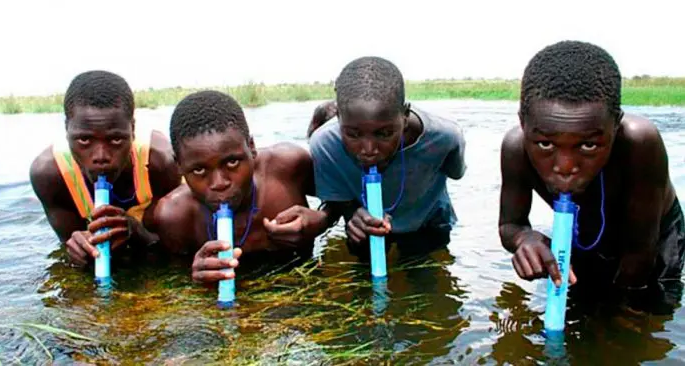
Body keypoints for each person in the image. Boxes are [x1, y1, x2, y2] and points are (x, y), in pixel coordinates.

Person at [498, 40, 684, 307]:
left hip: (650, 234)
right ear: (523, 123)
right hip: (584, 227)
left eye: (588, 145)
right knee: (579, 300)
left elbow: (639, 254)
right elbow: (509, 225)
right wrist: (524, 238)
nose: (564, 166)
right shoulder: (516, 149)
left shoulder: (640, 144)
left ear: (616, 126)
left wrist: (615, 321)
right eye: (546, 144)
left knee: (648, 307)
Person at [152, 90, 329, 285]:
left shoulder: (288, 169)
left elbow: (340, 201)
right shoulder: (174, 217)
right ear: (178, 166)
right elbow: (172, 280)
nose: (219, 183)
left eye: (232, 162)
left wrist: (323, 220)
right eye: (200, 170)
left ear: (251, 147)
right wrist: (194, 278)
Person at [308, 56, 467, 260]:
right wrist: (354, 214)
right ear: (338, 117)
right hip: (369, 230)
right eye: (353, 134)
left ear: (405, 116)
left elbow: (456, 173)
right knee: (362, 279)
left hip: (430, 224)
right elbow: (338, 200)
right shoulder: (324, 145)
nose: (369, 149)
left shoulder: (445, 137)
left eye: (384, 134)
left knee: (426, 277)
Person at [29, 70, 181, 266]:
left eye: (116, 139)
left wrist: (136, 231)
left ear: (132, 130)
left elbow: (172, 246)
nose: (101, 156)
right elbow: (68, 245)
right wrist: (78, 251)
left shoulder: (160, 162)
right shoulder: (49, 174)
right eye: (84, 140)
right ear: (67, 130)